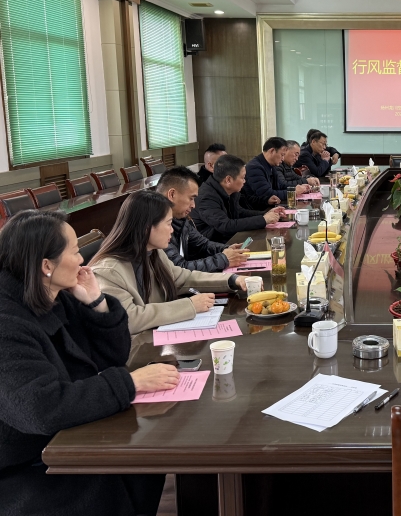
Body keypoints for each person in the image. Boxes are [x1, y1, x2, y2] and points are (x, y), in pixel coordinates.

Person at [0, 210, 178, 515]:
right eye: (74, 251)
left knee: (147, 459)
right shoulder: (7, 324)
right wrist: (131, 383)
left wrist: (97, 303)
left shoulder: (55, 293)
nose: (83, 259)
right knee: (135, 465)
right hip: (27, 464)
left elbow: (113, 356)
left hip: (66, 436)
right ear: (46, 265)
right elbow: (41, 409)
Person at [91, 192, 248, 335]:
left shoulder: (154, 252)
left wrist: (233, 280)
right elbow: (128, 319)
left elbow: (183, 278)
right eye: (168, 223)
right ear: (147, 227)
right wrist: (189, 306)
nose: (171, 230)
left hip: (153, 338)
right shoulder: (108, 271)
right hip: (133, 350)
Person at [156, 166, 248, 272]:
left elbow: (203, 245)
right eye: (191, 198)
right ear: (172, 194)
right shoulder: (154, 225)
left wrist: (227, 249)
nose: (193, 205)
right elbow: (178, 269)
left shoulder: (180, 219)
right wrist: (223, 259)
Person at [190, 154, 283, 244]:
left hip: (229, 240)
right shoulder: (206, 197)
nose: (244, 181)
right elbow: (225, 226)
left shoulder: (230, 190)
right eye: (242, 178)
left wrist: (266, 214)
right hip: (213, 246)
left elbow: (239, 212)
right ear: (228, 180)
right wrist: (263, 220)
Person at [243, 137, 311, 209]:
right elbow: (267, 194)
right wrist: (293, 192)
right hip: (257, 209)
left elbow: (280, 185)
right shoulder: (255, 167)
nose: (283, 158)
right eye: (282, 155)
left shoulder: (271, 165)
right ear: (272, 151)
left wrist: (297, 188)